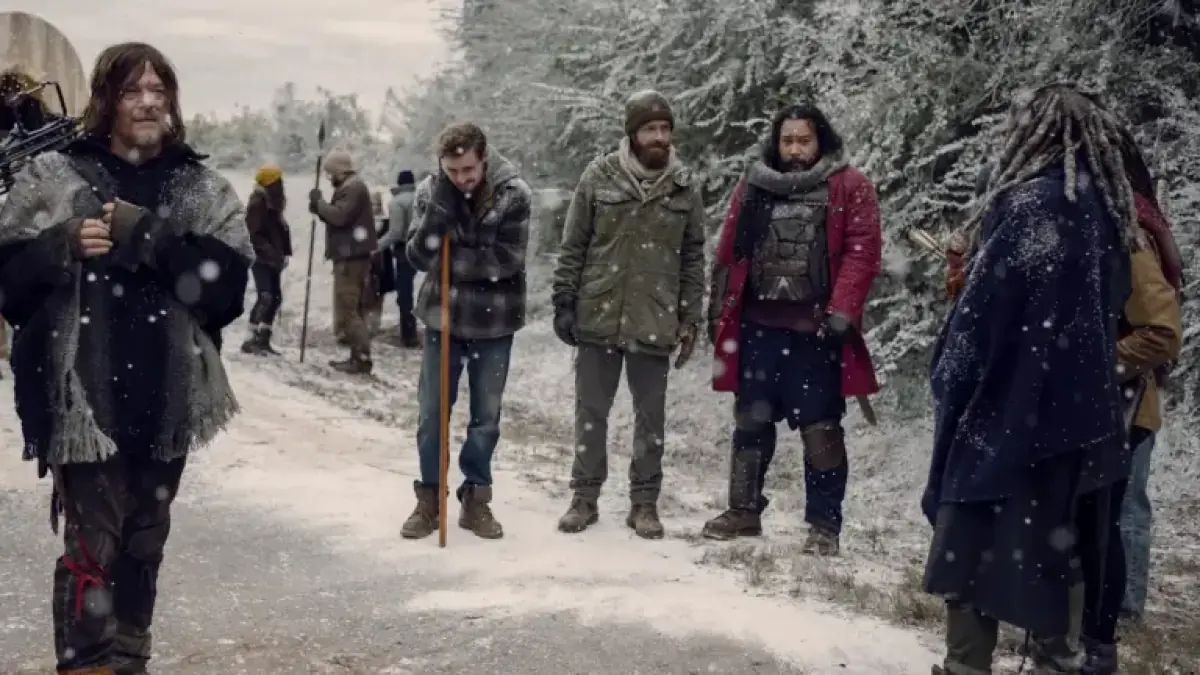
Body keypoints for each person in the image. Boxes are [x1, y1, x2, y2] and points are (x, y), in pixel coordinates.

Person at [0, 42, 252, 674]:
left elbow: (226, 295)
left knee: (144, 545)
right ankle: (86, 667)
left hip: (167, 399)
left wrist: (152, 236)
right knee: (93, 547)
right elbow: (8, 285)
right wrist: (57, 246)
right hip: (83, 402)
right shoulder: (56, 177)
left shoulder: (199, 188)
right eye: (132, 90)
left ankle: (130, 661)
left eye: (158, 91)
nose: (147, 103)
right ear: (106, 100)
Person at [923, 83, 1138, 675]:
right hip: (1078, 418)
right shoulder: (1106, 213)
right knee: (1057, 543)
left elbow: (977, 325)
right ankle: (1058, 658)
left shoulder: (1024, 208)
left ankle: (967, 666)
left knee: (973, 537)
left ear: (1029, 134)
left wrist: (950, 383)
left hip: (1003, 410)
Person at [701, 104, 882, 555]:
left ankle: (824, 525)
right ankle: (744, 511)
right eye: (788, 141)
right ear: (776, 143)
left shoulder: (850, 185)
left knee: (821, 428)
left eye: (804, 140)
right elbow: (729, 250)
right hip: (759, 328)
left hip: (816, 333)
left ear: (820, 141)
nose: (795, 149)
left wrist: (843, 311)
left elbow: (862, 251)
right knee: (751, 422)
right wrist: (717, 311)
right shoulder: (754, 183)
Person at [550, 90, 706, 539]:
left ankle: (644, 503)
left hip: (655, 316)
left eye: (665, 129)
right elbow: (573, 245)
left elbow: (693, 257)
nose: (659, 137)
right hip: (598, 311)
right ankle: (584, 498)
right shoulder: (598, 177)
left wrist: (690, 317)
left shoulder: (684, 186)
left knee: (650, 418)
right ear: (632, 134)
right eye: (650, 129)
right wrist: (564, 301)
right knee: (591, 412)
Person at [400, 123, 531, 541]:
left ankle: (476, 498)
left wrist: (454, 261)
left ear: (484, 157)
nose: (461, 178)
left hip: (495, 321)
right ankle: (429, 497)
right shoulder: (430, 192)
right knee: (432, 412)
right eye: (453, 171)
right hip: (442, 319)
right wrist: (435, 220)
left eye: (469, 170)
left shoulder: (514, 194)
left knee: (485, 417)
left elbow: (506, 260)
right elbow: (418, 257)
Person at [309, 148, 377, 374]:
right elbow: (338, 217)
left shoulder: (353, 188)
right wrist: (319, 208)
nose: (329, 178)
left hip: (351, 258)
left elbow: (339, 217)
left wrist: (319, 203)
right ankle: (358, 356)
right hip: (351, 255)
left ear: (340, 171)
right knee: (352, 308)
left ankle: (361, 358)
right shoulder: (351, 186)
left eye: (330, 173)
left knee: (348, 308)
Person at [241, 162, 292, 355]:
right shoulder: (258, 203)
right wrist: (270, 252)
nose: (281, 185)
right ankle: (249, 340)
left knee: (275, 298)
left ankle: (263, 338)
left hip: (273, 259)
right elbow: (253, 234)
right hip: (261, 258)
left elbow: (279, 231)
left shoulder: (273, 203)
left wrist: (284, 253)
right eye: (278, 181)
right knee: (266, 296)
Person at [375, 169, 420, 348]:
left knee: (405, 295)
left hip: (405, 251)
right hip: (424, 248)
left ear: (399, 183)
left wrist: (375, 247)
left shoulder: (397, 202)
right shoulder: (422, 198)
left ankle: (409, 335)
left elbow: (395, 233)